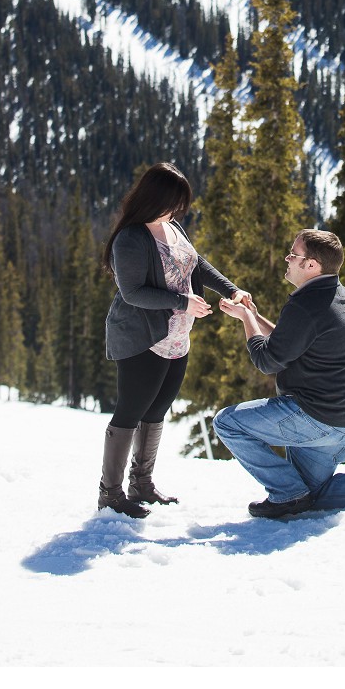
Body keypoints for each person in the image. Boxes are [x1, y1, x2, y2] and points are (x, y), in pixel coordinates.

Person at [213, 228, 345, 518]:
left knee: (227, 423)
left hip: (315, 420)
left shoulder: (305, 305)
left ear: (312, 265)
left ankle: (286, 494)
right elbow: (290, 344)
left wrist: (246, 319)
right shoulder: (338, 295)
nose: (287, 258)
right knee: (311, 494)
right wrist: (255, 317)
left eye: (293, 254)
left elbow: (267, 359)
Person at [99, 161, 249, 517]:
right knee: (130, 412)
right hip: (142, 339)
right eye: (172, 203)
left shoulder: (172, 227)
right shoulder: (131, 238)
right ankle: (110, 494)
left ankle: (142, 484)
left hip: (177, 338)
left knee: (156, 411)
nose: (177, 210)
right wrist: (183, 301)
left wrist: (231, 288)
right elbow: (133, 292)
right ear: (153, 198)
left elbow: (196, 264)